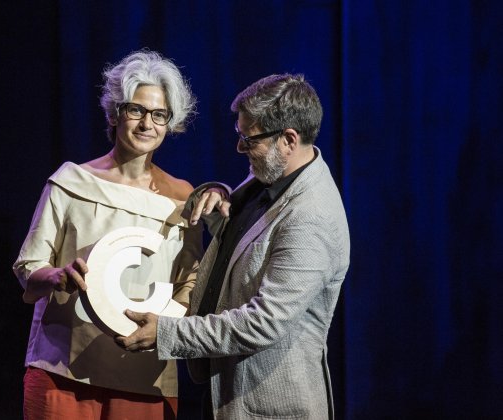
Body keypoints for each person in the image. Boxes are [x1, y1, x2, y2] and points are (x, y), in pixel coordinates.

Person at [115, 73, 350, 420]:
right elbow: (245, 238)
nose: (240, 148)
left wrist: (167, 333)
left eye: (248, 139)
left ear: (288, 139)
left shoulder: (312, 217)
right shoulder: (276, 173)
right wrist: (216, 195)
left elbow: (262, 322)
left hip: (267, 406)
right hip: (224, 389)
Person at [12, 50, 203, 419]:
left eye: (159, 115)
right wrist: (56, 274)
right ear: (115, 113)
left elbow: (189, 287)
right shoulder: (71, 181)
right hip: (63, 371)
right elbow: (28, 266)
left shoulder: (184, 199)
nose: (147, 123)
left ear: (169, 123)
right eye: (136, 110)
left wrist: (165, 328)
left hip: (145, 377)